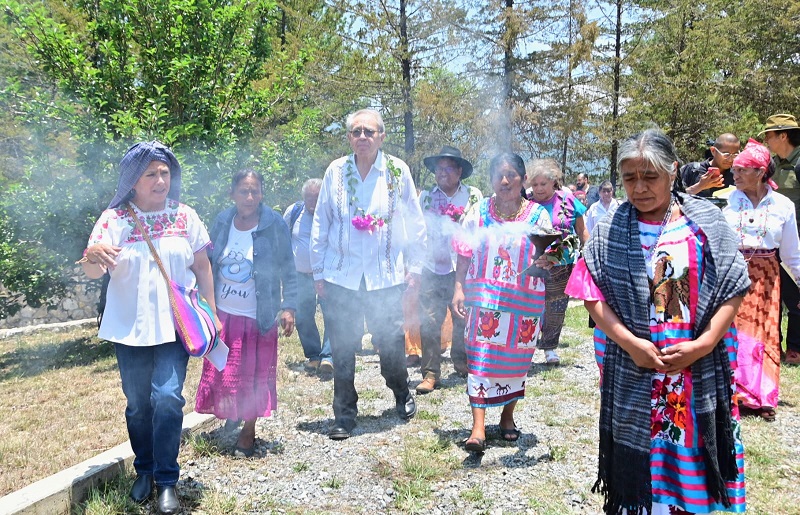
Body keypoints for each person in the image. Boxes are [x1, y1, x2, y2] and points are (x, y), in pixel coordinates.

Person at [566, 129, 749, 515]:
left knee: (694, 454)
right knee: (644, 464)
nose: (639, 188)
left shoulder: (706, 224)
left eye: (650, 177)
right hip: (637, 371)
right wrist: (633, 346)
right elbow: (590, 295)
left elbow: (734, 286)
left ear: (673, 173)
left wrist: (703, 344)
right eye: (630, 178)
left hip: (695, 370)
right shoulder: (609, 231)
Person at [80, 141, 218, 514]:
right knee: (139, 405)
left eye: (165, 172)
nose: (160, 180)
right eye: (151, 174)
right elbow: (95, 268)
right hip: (130, 329)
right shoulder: (114, 219)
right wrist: (91, 257)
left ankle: (167, 480)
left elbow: (203, 267)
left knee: (169, 398)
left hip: (175, 329)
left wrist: (213, 311)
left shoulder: (184, 215)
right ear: (133, 180)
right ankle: (144, 469)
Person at [310, 109, 427, 440]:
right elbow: (321, 223)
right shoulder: (335, 171)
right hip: (341, 276)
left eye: (369, 131)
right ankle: (344, 415)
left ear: (381, 137)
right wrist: (318, 271)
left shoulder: (396, 171)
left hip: (385, 277)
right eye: (356, 132)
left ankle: (401, 391)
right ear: (349, 137)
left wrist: (414, 267)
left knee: (389, 346)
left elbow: (415, 223)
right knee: (343, 348)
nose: (362, 137)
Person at [451, 152, 553, 453]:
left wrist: (550, 258)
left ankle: (507, 417)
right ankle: (478, 427)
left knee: (516, 360)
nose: (505, 180)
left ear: (523, 180)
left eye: (511, 174)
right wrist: (458, 287)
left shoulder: (538, 215)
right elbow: (464, 249)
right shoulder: (479, 211)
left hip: (524, 302)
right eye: (498, 174)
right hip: (484, 299)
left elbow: (557, 249)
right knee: (480, 357)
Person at [195, 169, 297, 456]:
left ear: (262, 194)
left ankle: (248, 431)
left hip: (258, 317)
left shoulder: (273, 223)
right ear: (232, 194)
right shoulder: (223, 220)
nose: (249, 197)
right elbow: (208, 262)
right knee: (226, 372)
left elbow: (288, 267)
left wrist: (289, 305)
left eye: (255, 191)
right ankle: (232, 414)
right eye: (243, 191)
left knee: (255, 374)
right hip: (224, 315)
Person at [722, 139, 800, 422]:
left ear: (759, 172)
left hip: (767, 276)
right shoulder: (728, 202)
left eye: (742, 169)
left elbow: (792, 254)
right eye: (735, 169)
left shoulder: (783, 205)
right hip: (733, 274)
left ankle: (764, 397)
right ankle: (736, 395)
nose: (736, 174)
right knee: (734, 334)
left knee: (766, 333)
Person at [416, 145, 483, 391]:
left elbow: (478, 229)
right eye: (438, 168)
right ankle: (431, 373)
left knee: (462, 318)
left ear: (459, 171)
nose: (441, 172)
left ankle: (462, 362)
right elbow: (418, 230)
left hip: (463, 266)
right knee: (429, 320)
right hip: (432, 266)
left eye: (447, 168)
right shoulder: (426, 197)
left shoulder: (474, 195)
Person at [526, 158, 589, 364]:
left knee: (556, 305)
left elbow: (581, 231)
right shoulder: (525, 202)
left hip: (561, 262)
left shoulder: (568, 200)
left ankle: (550, 347)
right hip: (531, 262)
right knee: (530, 305)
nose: (538, 189)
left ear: (554, 182)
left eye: (543, 184)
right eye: (534, 184)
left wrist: (588, 255)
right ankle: (525, 345)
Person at [760, 113, 800, 365]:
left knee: (796, 299)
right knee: (774, 295)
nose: (767, 141)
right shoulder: (774, 165)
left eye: (769, 136)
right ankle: (775, 345)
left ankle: (795, 348)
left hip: (796, 241)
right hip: (774, 241)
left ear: (783, 135)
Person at [283, 179, 333, 375]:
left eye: (317, 197)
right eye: (309, 197)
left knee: (332, 315)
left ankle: (328, 356)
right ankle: (314, 356)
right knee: (303, 316)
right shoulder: (294, 211)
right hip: (301, 275)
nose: (313, 202)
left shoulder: (331, 213)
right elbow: (283, 236)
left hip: (327, 275)